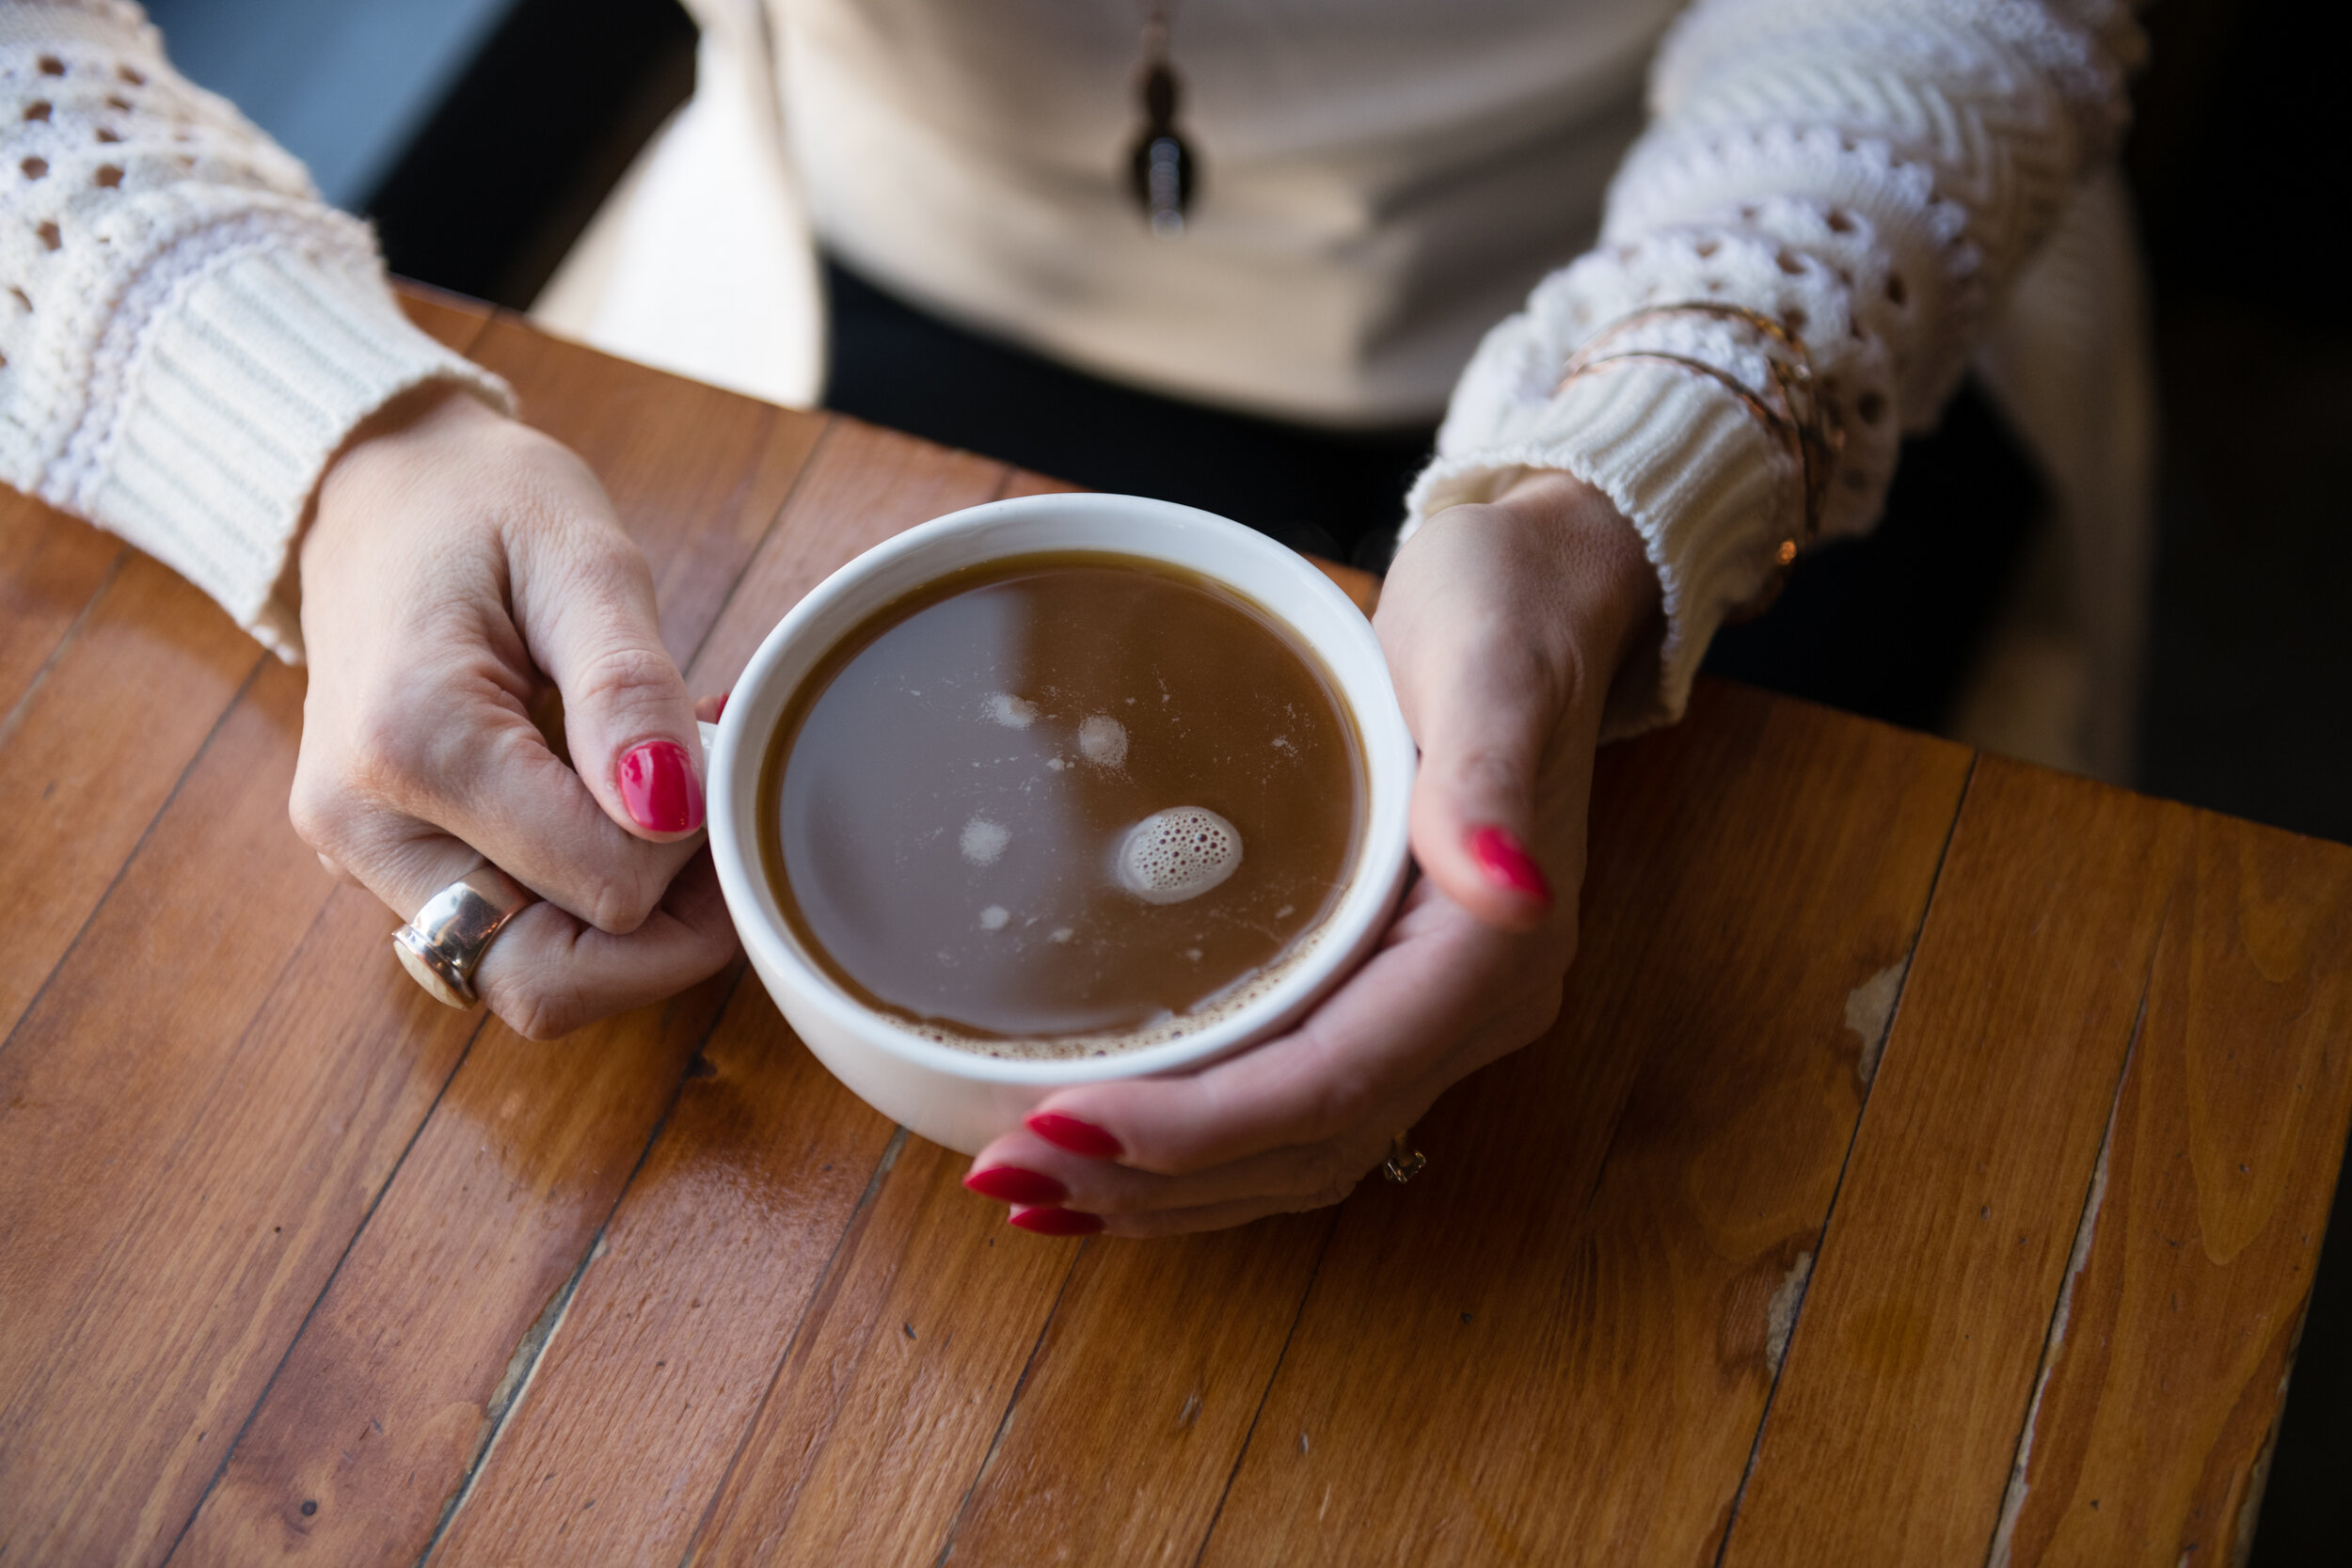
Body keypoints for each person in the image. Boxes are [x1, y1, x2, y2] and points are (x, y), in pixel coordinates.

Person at [0, 0, 2147, 1236]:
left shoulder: (1718, 375)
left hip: (1740, 328)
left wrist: (1660, 439)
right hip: (876, 291)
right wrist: (304, 431)